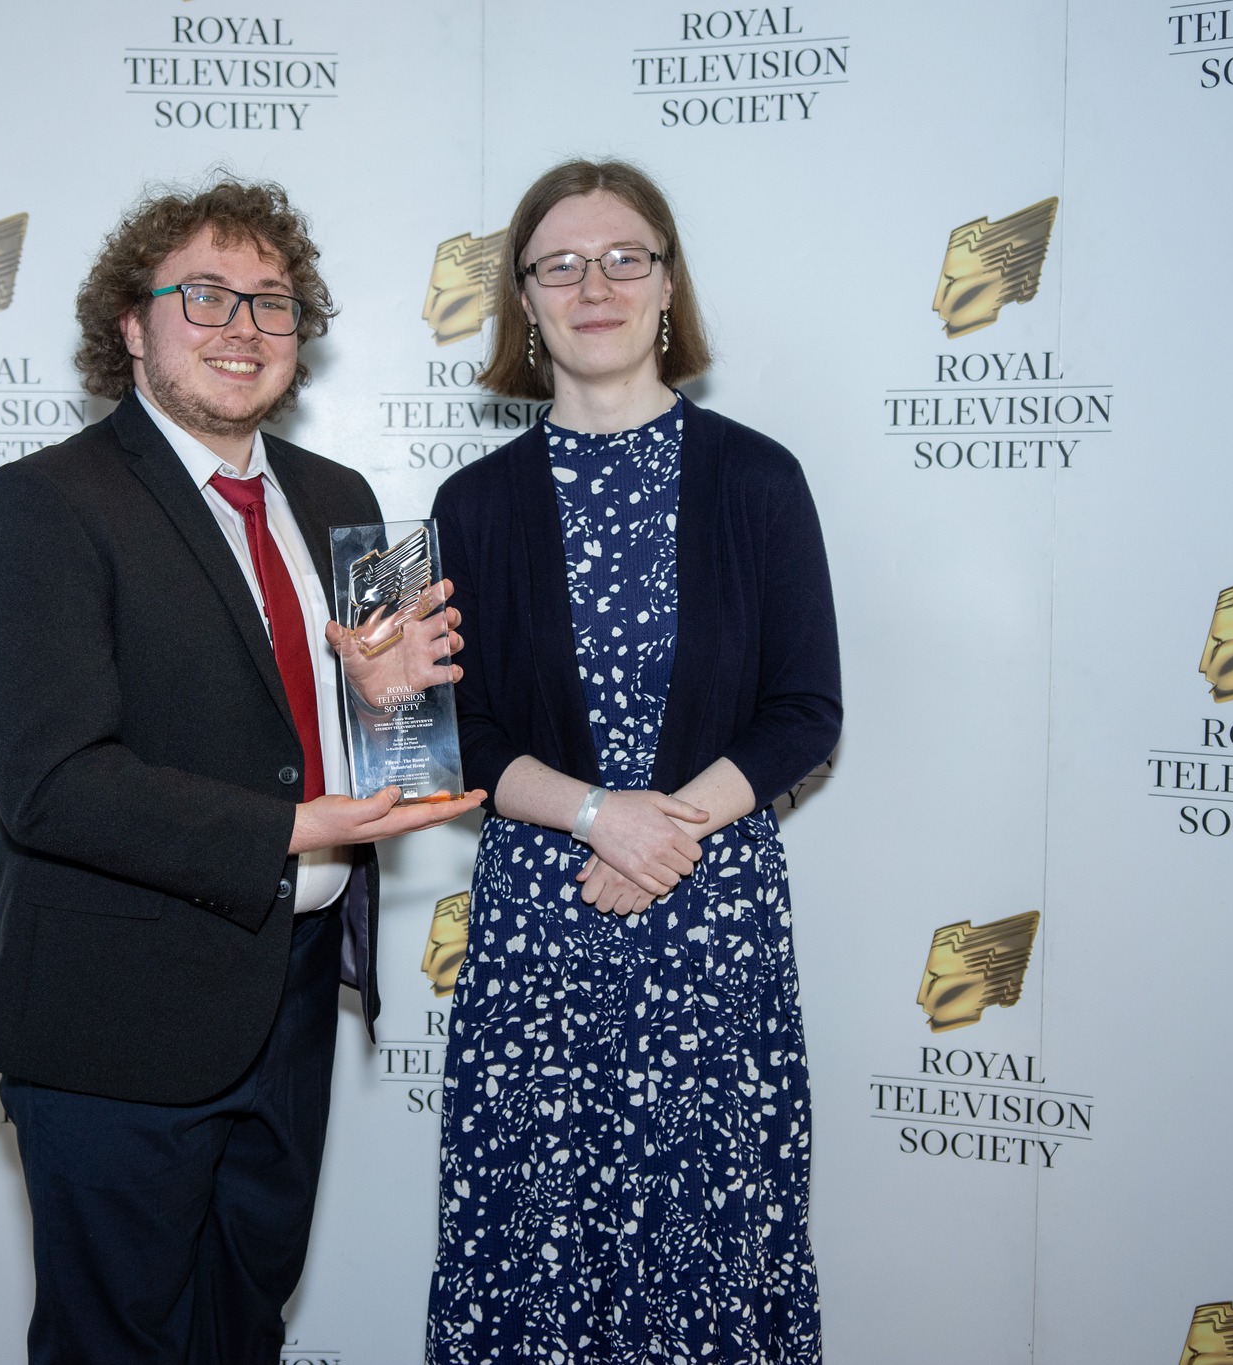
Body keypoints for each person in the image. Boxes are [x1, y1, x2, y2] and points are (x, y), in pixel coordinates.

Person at [0, 178, 483, 1365]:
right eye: (203, 295)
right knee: (118, 1345)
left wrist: (374, 708)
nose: (242, 326)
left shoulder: (336, 501)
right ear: (129, 325)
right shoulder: (46, 502)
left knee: (243, 1327)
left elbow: (296, 733)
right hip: (116, 1015)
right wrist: (289, 828)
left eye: (272, 303)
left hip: (289, 998)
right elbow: (50, 778)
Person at [426, 159, 841, 1362]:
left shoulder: (759, 480)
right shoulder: (470, 504)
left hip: (711, 931)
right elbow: (463, 734)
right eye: (558, 263)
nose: (591, 284)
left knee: (710, 1249)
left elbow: (801, 711)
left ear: (667, 288)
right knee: (530, 1251)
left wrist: (667, 835)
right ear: (524, 301)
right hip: (540, 933)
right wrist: (601, 817)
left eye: (623, 258)